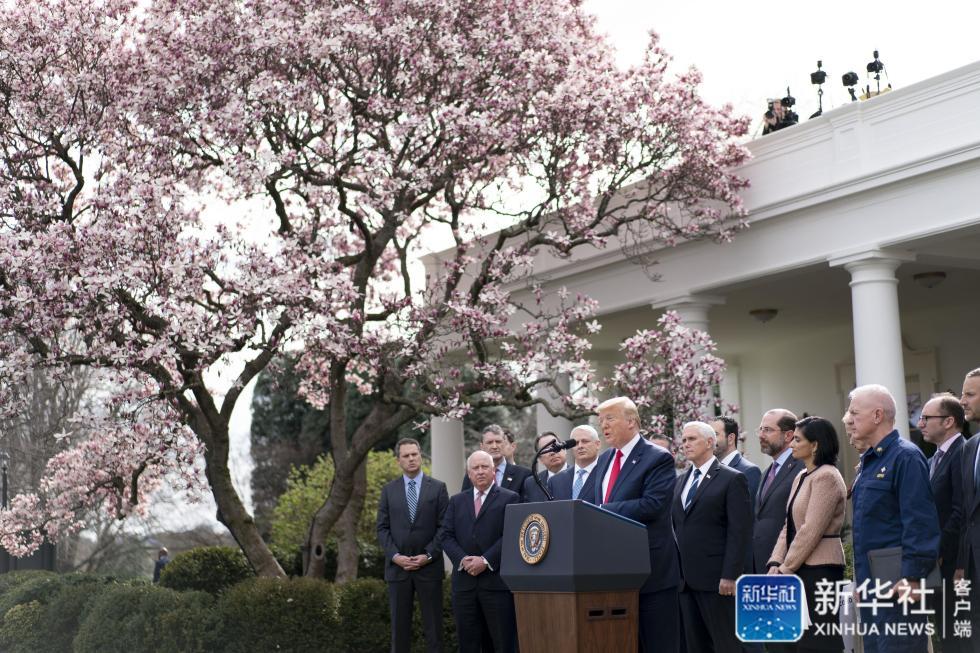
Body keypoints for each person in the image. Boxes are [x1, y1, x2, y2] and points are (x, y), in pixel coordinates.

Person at [845, 384, 940, 653]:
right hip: (873, 589)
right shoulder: (870, 462)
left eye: (855, 412)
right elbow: (869, 529)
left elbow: (919, 523)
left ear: (877, 416)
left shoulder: (905, 457)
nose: (850, 418)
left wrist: (912, 577)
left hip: (900, 587)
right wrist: (862, 582)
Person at [593, 397, 679, 653]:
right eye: (601, 421)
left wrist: (600, 511)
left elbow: (653, 505)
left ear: (631, 421)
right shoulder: (605, 458)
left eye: (610, 418)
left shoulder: (657, 458)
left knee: (658, 644)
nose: (603, 426)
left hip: (651, 571)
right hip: (613, 571)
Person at [766, 416, 846, 653]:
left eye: (797, 440)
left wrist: (785, 568)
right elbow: (788, 525)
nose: (791, 444)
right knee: (796, 641)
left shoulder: (827, 476)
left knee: (819, 640)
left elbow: (810, 530)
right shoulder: (801, 476)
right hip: (797, 568)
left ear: (815, 445)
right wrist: (775, 563)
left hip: (820, 569)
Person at [672, 421, 751, 653]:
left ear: (709, 442)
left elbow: (740, 531)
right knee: (696, 646)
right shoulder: (680, 481)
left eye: (692, 439)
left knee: (727, 645)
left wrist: (730, 574)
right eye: (683, 440)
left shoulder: (732, 478)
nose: (685, 444)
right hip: (685, 582)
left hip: (718, 581)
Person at [442, 451, 521, 653]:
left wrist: (485, 560)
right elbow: (446, 536)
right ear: (469, 474)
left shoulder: (510, 498)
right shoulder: (456, 501)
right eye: (475, 468)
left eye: (484, 467)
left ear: (493, 471)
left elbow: (511, 535)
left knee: (502, 643)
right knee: (468, 644)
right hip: (465, 585)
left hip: (495, 585)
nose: (480, 472)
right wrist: (463, 560)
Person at [377, 438, 450, 653]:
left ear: (420, 455)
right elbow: (382, 528)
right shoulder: (388, 490)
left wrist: (428, 555)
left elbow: (444, 528)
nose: (411, 459)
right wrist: (395, 556)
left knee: (434, 630)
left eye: (414, 454)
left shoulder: (438, 488)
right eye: (406, 456)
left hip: (429, 568)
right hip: (398, 570)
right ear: (398, 460)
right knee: (399, 632)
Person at [918, 393, 966, 651]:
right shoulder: (930, 460)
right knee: (945, 635)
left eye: (926, 417)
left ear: (948, 421)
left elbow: (961, 511)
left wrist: (937, 550)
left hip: (954, 562)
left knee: (958, 635)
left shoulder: (963, 453)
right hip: (936, 564)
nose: (920, 423)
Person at [753, 408, 804, 572]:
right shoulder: (767, 473)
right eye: (760, 429)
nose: (761, 435)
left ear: (789, 435)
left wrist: (783, 563)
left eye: (767, 430)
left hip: (788, 566)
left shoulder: (802, 468)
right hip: (764, 565)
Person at [955, 368, 980, 641]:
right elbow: (966, 513)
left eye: (970, 394)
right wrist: (962, 564)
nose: (962, 401)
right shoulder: (970, 447)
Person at [462, 425, 532, 499]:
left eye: (498, 442)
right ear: (482, 446)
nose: (494, 446)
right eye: (489, 442)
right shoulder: (472, 476)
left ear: (504, 444)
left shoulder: (523, 475)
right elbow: (465, 503)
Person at [712, 417, 762, 510]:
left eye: (715, 434)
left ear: (730, 438)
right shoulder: (710, 471)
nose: (710, 440)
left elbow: (747, 514)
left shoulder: (749, 471)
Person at [549, 425, 601, 502]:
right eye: (575, 443)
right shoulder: (556, 481)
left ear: (597, 444)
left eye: (585, 441)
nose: (580, 446)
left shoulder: (607, 474)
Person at [522, 431, 569, 502]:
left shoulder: (578, 476)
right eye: (547, 449)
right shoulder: (531, 483)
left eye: (555, 446)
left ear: (564, 450)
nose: (552, 452)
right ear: (540, 459)